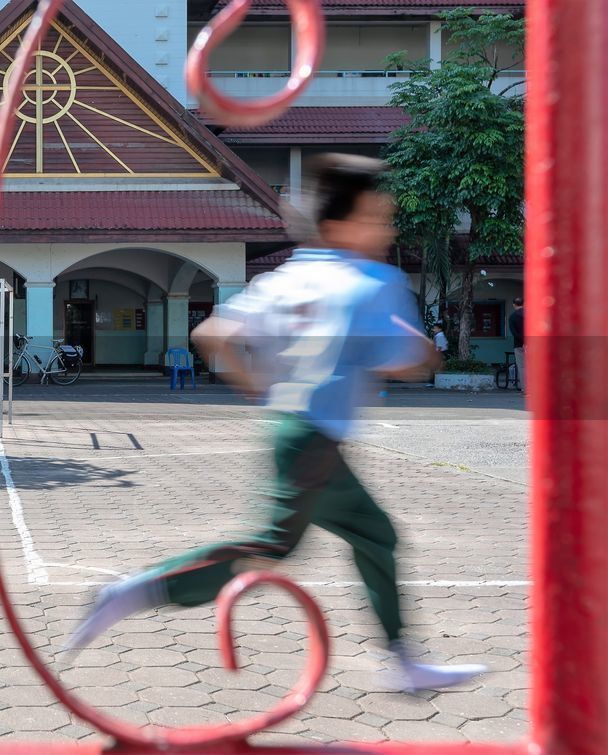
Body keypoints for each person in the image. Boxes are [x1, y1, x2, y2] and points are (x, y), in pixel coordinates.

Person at [67, 154, 488, 692]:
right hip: (315, 441)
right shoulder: (373, 280)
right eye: (378, 218)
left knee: (374, 534)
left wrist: (256, 385)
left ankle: (403, 659)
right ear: (338, 226)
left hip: (294, 430)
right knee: (272, 546)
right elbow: (405, 363)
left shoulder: (292, 274)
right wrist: (425, 353)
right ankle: (135, 590)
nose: (388, 230)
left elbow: (212, 335)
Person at [508, 298, 525, 393]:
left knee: (522, 367)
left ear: (514, 304)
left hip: (519, 345)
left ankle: (525, 388)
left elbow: (514, 333)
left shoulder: (513, 317)